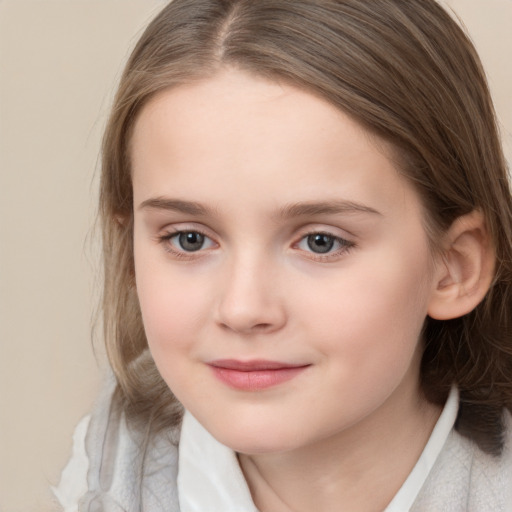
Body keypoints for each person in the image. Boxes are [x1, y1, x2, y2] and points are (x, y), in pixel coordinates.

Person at [54, 0, 512, 510]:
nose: (243, 309)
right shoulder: (108, 463)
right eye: (189, 238)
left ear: (453, 267)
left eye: (321, 242)